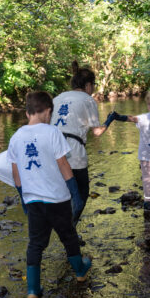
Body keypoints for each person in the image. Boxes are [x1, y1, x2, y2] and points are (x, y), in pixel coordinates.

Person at [7, 91, 92, 298]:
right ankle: (80, 271)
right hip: (57, 199)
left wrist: (22, 197)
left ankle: (33, 290)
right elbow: (63, 164)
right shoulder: (52, 132)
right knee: (68, 237)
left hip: (33, 200)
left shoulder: (16, 136)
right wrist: (75, 193)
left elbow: (16, 174)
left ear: (27, 113)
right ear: (48, 111)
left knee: (36, 243)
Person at [50, 61, 115, 241]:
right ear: (88, 85)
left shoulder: (57, 98)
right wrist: (109, 121)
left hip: (51, 152)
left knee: (62, 195)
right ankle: (68, 232)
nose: (93, 89)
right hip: (73, 154)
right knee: (81, 194)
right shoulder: (88, 100)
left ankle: (61, 228)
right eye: (93, 85)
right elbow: (97, 132)